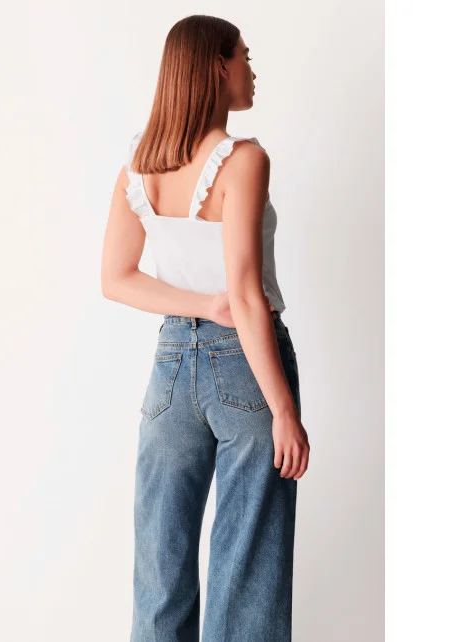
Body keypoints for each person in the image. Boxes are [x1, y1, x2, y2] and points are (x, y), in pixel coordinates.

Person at [101, 14, 310, 642]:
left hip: (170, 370)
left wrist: (196, 305)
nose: (252, 70)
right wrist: (283, 410)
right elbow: (244, 294)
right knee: (246, 573)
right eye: (245, 55)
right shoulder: (244, 160)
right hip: (247, 365)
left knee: (159, 572)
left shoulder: (139, 165)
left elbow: (117, 278)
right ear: (219, 67)